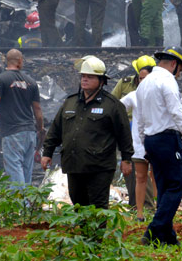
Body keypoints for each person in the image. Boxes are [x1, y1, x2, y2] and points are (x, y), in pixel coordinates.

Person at [41, 56, 134, 208]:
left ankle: (97, 232)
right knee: (78, 202)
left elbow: (124, 135)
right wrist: (47, 153)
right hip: (74, 163)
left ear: (102, 81)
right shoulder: (70, 102)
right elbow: (55, 130)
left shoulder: (112, 105)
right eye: (83, 76)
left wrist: (126, 159)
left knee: (98, 204)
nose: (84, 80)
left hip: (100, 166)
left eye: (90, 77)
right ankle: (84, 232)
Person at [136, 47, 182, 246]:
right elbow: (176, 111)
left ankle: (167, 237)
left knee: (164, 186)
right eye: (179, 70)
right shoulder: (167, 81)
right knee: (178, 182)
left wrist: (143, 144)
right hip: (167, 139)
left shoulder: (143, 84)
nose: (179, 74)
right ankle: (153, 230)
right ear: (174, 64)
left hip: (151, 140)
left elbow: (139, 119)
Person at [0, 49, 44, 186]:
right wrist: (40, 129)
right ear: (20, 61)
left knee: (14, 169)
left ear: (6, 60)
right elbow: (38, 109)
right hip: (30, 132)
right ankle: (26, 205)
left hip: (12, 132)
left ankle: (18, 205)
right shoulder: (31, 82)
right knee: (27, 170)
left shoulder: (1, 79)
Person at [110, 54, 157, 214]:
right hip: (129, 130)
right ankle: (135, 203)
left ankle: (148, 205)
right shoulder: (125, 85)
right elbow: (115, 105)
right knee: (130, 169)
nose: (143, 80)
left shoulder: (158, 89)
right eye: (141, 77)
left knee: (144, 170)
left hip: (148, 131)